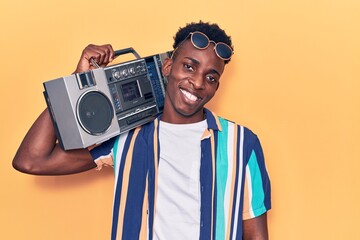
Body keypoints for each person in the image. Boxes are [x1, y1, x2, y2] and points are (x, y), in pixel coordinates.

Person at [13, 21, 271, 239]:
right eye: (189, 66)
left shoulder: (241, 143)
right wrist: (76, 82)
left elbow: (256, 235)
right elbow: (32, 160)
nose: (198, 82)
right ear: (168, 67)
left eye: (211, 77)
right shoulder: (127, 138)